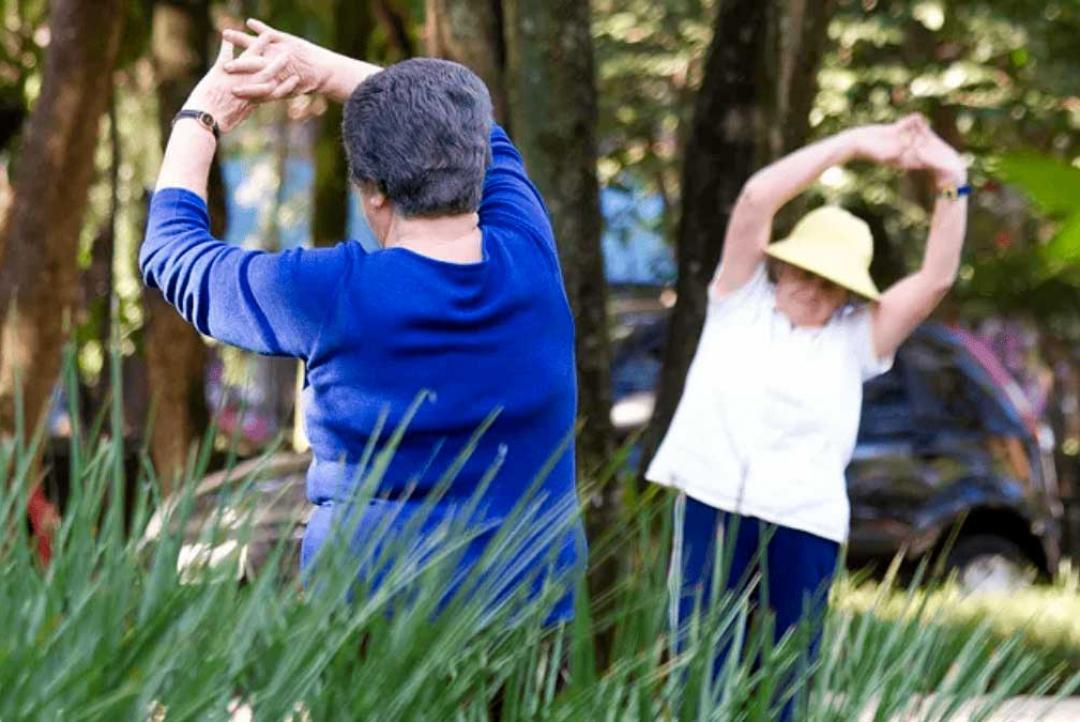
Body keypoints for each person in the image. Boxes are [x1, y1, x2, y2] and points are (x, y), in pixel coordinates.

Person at [140, 20, 586, 621]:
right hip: (534, 624)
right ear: (476, 166)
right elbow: (487, 134)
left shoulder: (330, 295)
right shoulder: (529, 255)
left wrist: (201, 117)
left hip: (373, 633)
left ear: (372, 191)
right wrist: (324, 68)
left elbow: (171, 254)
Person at [645, 114, 969, 716]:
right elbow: (754, 198)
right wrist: (850, 144)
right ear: (779, 265)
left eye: (831, 281)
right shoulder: (738, 300)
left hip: (804, 525)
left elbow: (936, 278)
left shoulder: (857, 338)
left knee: (785, 691)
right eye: (803, 271)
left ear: (851, 292)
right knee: (699, 682)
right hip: (712, 507)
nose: (813, 288)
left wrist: (952, 178)